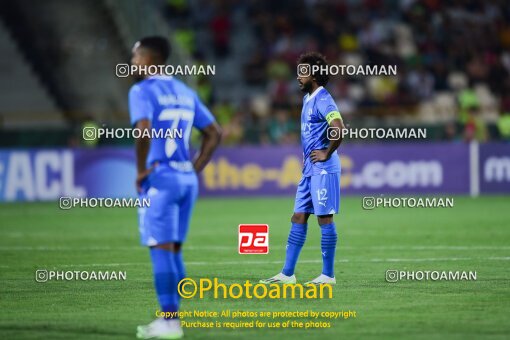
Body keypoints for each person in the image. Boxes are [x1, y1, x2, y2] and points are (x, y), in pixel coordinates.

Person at [128, 36, 221, 339]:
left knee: (160, 248)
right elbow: (214, 133)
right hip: (186, 180)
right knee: (175, 248)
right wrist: (193, 169)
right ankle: (174, 317)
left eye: (136, 56)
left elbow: (143, 132)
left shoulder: (141, 90)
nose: (132, 63)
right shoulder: (185, 90)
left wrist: (141, 169)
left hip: (162, 178)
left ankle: (170, 321)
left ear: (149, 60)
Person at [260, 52, 344, 285]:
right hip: (309, 170)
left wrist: (327, 152)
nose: (298, 77)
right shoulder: (308, 99)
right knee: (298, 216)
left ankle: (328, 275)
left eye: (303, 72)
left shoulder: (323, 98)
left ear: (314, 75)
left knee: (325, 219)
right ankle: (287, 274)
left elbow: (338, 127)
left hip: (323, 168)